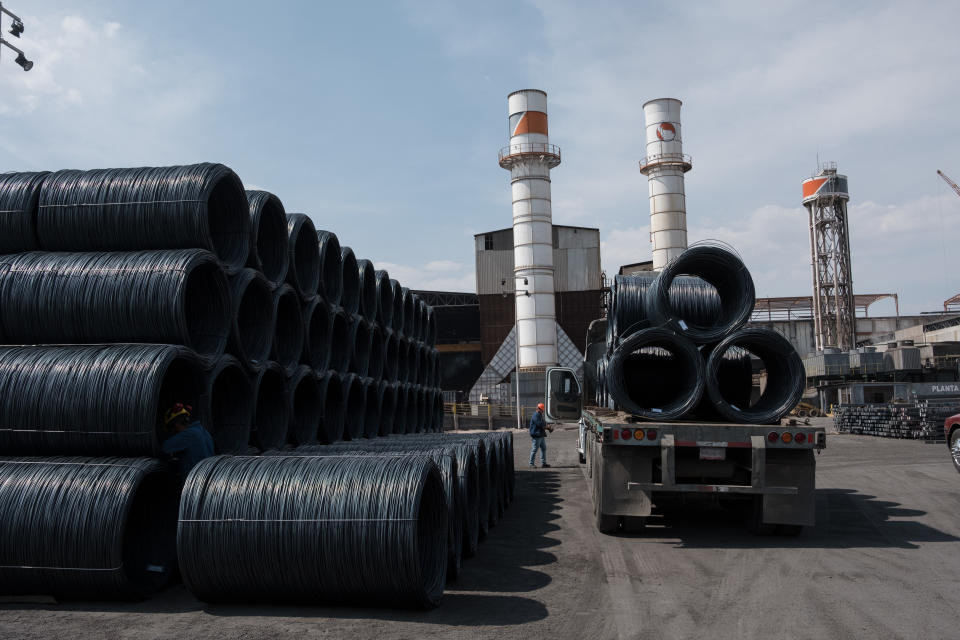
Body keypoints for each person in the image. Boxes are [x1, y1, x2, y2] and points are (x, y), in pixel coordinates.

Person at [161, 402, 215, 479]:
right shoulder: (204, 432)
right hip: (209, 481)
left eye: (171, 430)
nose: (173, 434)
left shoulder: (187, 435)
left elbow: (165, 447)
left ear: (175, 426)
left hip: (194, 484)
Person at [529, 402, 552, 468]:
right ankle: (531, 463)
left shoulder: (539, 415)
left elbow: (542, 423)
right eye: (542, 410)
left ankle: (543, 463)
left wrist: (547, 426)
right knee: (534, 449)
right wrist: (547, 427)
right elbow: (540, 424)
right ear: (539, 409)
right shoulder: (536, 415)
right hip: (536, 435)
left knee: (543, 448)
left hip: (540, 435)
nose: (542, 411)